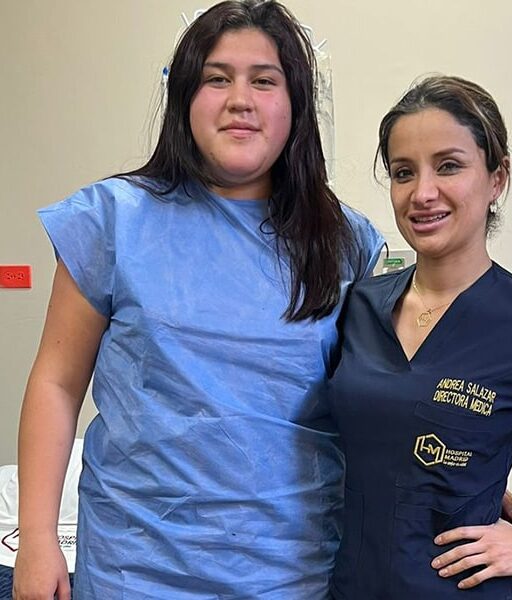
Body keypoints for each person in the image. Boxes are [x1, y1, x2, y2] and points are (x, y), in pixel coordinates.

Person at [12, 2, 385, 599]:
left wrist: (461, 474)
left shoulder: (346, 242)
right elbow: (56, 382)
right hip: (136, 569)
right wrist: (37, 540)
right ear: (184, 96)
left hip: (290, 572)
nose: (240, 100)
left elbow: (374, 403)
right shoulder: (112, 221)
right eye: (217, 78)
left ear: (296, 105)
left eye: (264, 81)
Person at [327, 75, 512, 599]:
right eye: (404, 172)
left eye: (448, 166)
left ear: (497, 178)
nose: (423, 193)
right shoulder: (358, 307)